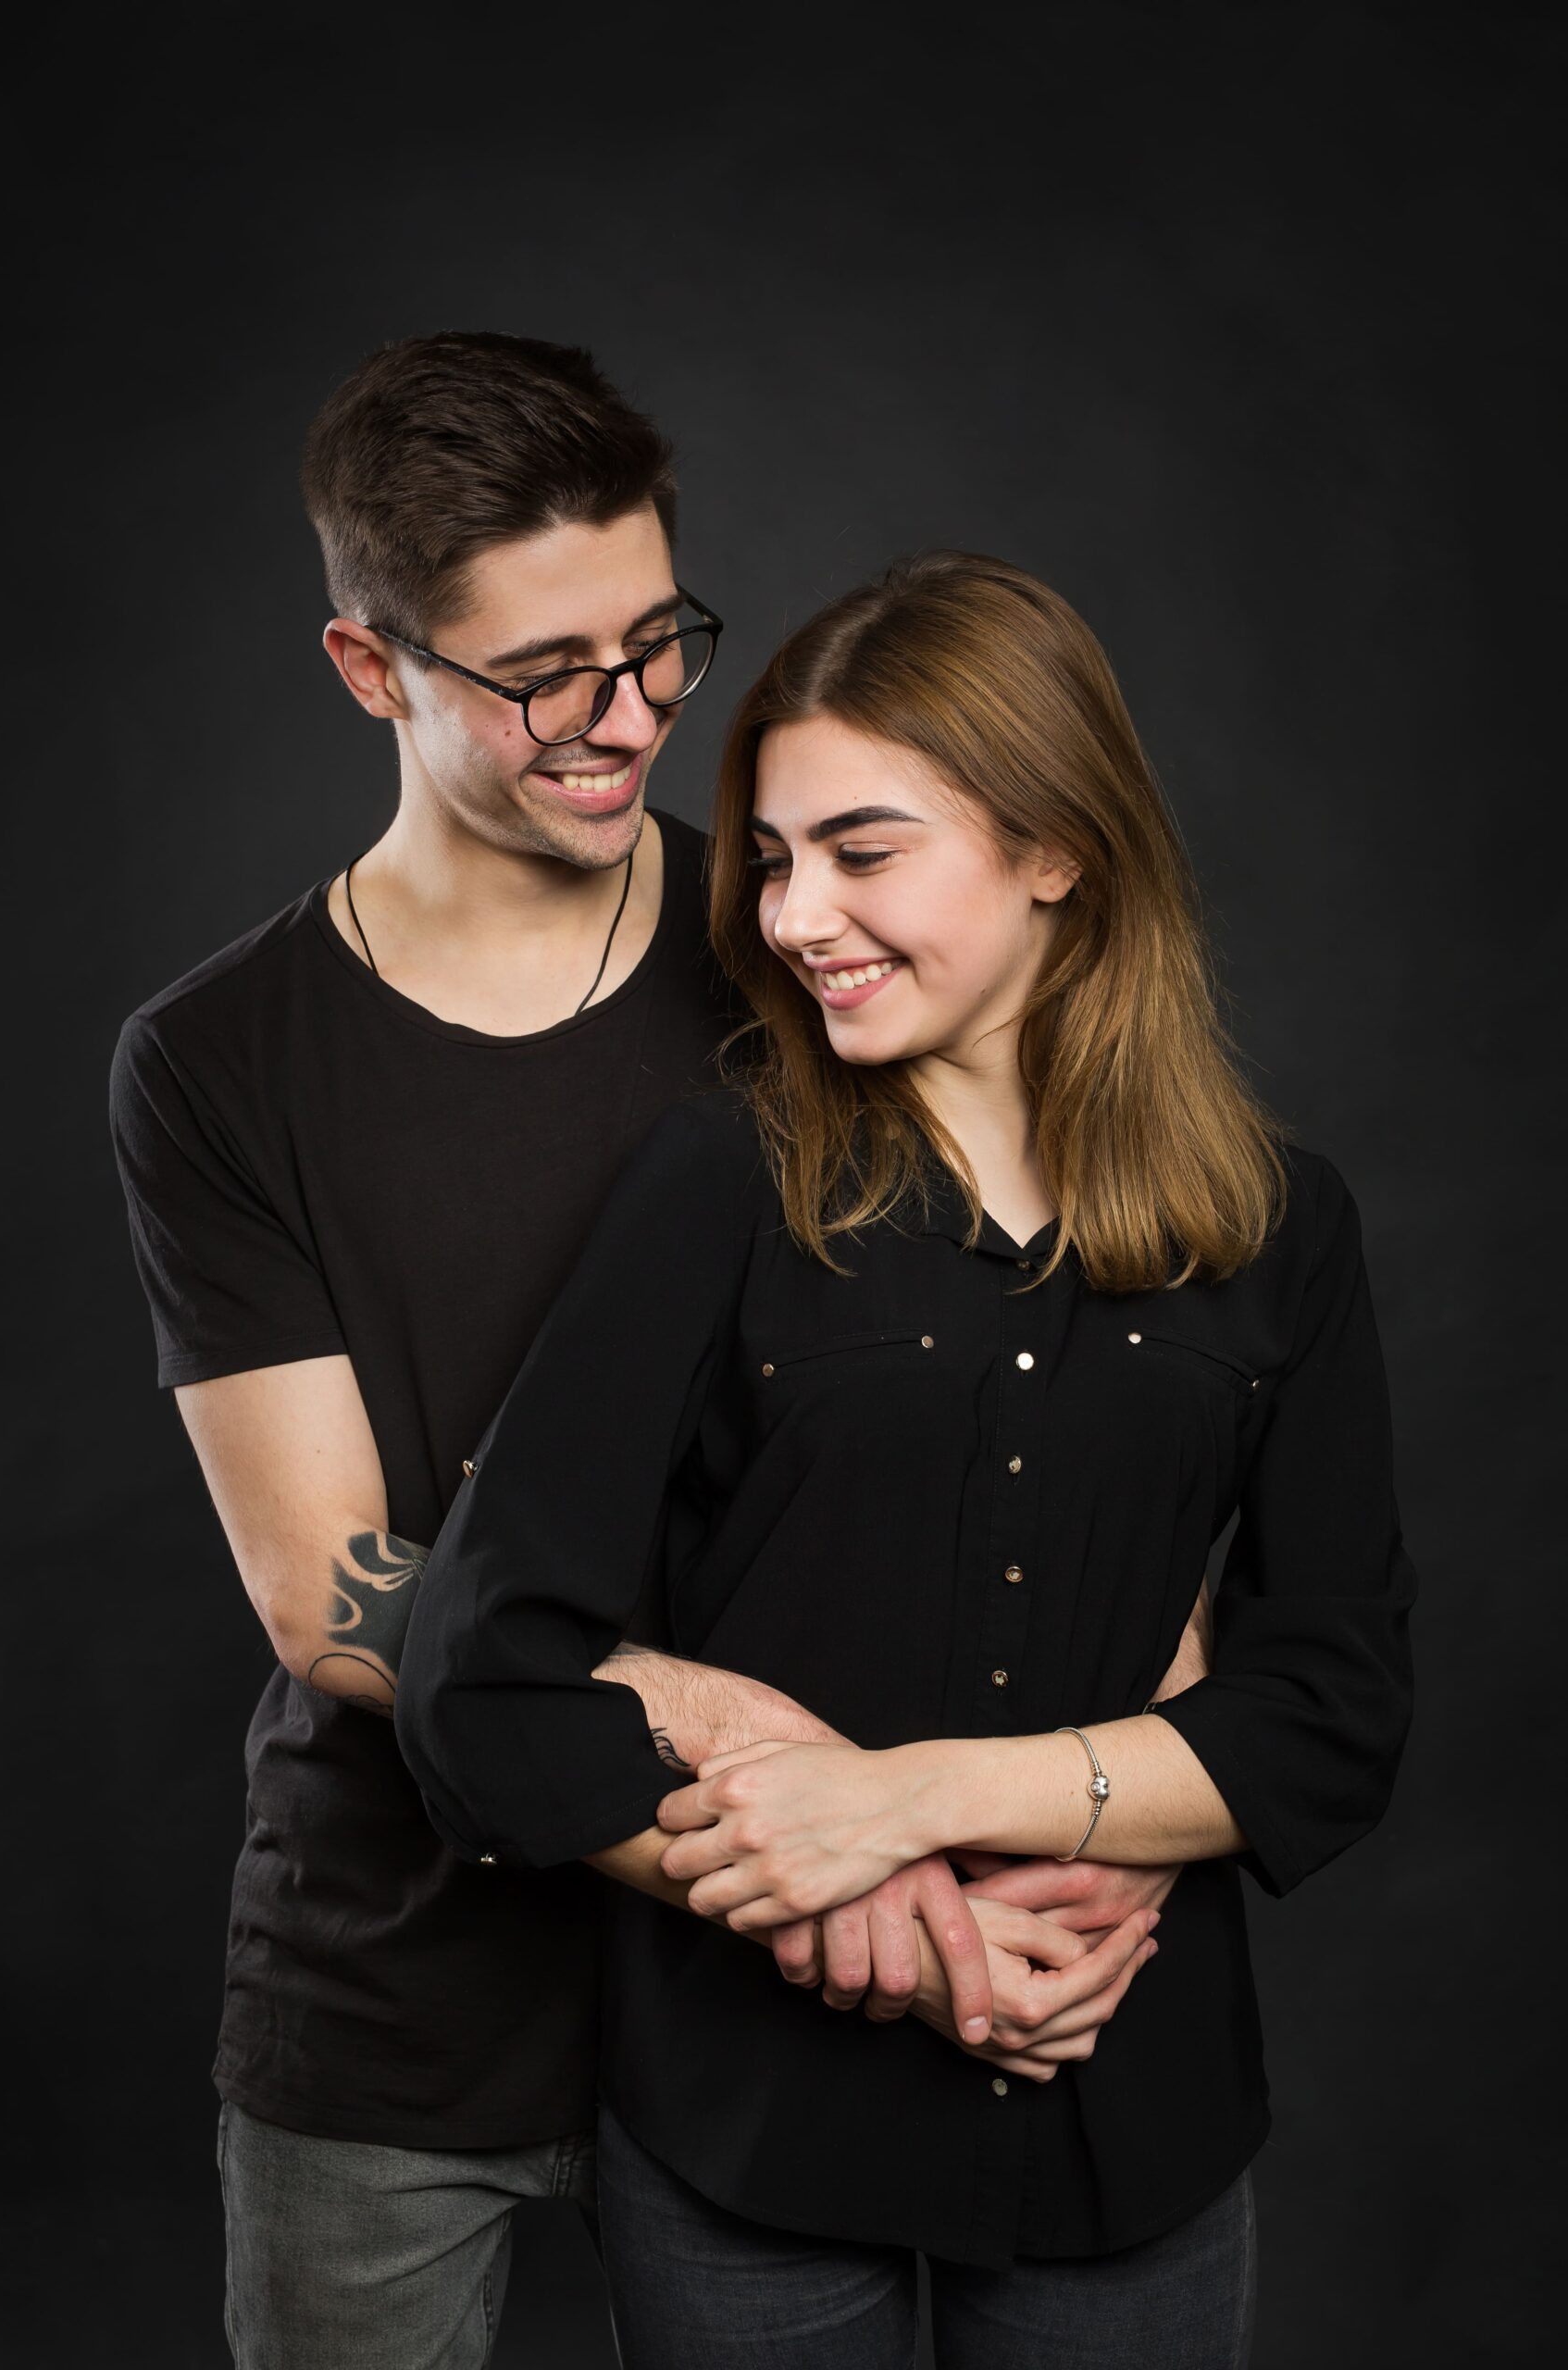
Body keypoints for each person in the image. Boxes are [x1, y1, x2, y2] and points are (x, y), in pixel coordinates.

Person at [110, 341, 1203, 2367]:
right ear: (372, 672)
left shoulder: (807, 954)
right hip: (410, 1995)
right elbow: (329, 1591)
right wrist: (788, 1795)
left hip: (803, 2014)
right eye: (543, 673)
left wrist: (1106, 1820)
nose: (628, 719)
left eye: (657, 641)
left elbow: (1125, 1391)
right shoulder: (218, 1058)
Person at [396, 550, 1417, 2368]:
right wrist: (852, 1885)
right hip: (749, 2129)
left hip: (1124, 2111)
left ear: (1055, 846)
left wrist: (913, 1797)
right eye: (775, 857)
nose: (790, 915)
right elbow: (487, 1671)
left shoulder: (1280, 1226)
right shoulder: (718, 1180)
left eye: (858, 853)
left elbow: (1327, 1708)